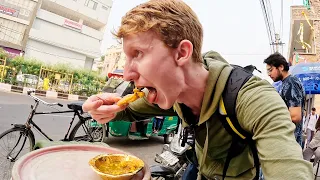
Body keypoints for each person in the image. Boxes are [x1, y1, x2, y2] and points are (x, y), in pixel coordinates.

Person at [82, 1, 313, 179]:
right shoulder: (173, 93)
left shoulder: (253, 97)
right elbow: (127, 111)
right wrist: (102, 107)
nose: (128, 74)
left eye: (138, 54)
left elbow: (290, 168)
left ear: (182, 53)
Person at [264, 53, 305, 147]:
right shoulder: (287, 82)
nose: (269, 74)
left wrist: (271, 118)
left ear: (281, 67)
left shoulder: (291, 83)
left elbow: (295, 116)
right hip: (288, 141)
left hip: (290, 143)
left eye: (271, 70)